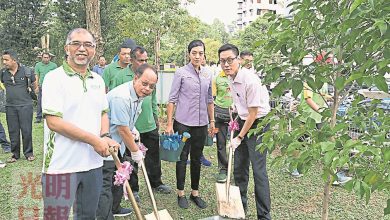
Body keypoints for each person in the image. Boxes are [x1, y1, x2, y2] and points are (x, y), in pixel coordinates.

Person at [41, 28, 119, 219]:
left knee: (87, 215)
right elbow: (54, 122)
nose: (82, 49)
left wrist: (105, 136)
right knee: (56, 216)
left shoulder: (98, 81)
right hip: (60, 166)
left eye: (88, 45)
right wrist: (94, 140)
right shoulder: (54, 78)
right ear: (67, 48)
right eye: (76, 43)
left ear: (94, 50)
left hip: (92, 165)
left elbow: (103, 112)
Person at [97, 63, 158, 219]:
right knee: (107, 184)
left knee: (120, 176)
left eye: (151, 86)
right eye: (144, 84)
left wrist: (133, 129)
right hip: (108, 145)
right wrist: (136, 151)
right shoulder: (121, 97)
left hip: (120, 145)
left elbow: (127, 125)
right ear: (135, 78)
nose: (147, 88)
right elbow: (121, 129)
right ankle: (105, 215)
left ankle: (115, 208)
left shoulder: (140, 95)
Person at [218, 43, 271, 219]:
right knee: (239, 169)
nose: (226, 64)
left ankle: (264, 216)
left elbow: (254, 113)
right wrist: (236, 106)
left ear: (238, 60)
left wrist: (240, 137)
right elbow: (244, 106)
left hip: (259, 123)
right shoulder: (230, 78)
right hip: (243, 119)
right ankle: (239, 210)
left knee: (258, 171)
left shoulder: (250, 80)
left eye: (230, 60)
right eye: (222, 61)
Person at [112, 46, 172, 201]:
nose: (147, 88)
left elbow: (151, 101)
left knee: (153, 155)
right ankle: (133, 189)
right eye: (141, 60)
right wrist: (134, 148)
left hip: (143, 125)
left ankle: (156, 182)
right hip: (118, 133)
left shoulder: (149, 80)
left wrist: (153, 119)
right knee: (130, 160)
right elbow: (119, 116)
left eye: (146, 60)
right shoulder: (121, 83)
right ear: (132, 60)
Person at [165, 40, 214, 209]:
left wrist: (212, 121)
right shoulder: (181, 73)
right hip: (183, 124)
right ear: (189, 54)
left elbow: (209, 100)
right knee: (182, 157)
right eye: (194, 53)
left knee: (197, 158)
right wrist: (169, 124)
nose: (197, 56)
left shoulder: (208, 73)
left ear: (204, 54)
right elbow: (172, 100)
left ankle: (195, 192)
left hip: (201, 124)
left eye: (200, 53)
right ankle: (181, 193)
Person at [1, 50, 36, 162]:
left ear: (14, 60)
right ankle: (15, 154)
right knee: (13, 131)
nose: (4, 62)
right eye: (3, 59)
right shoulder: (3, 73)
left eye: (6, 60)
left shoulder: (27, 72)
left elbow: (35, 86)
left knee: (26, 130)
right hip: (10, 106)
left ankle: (29, 153)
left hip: (25, 105)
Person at [212, 68, 233, 183]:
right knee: (221, 143)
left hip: (236, 113)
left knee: (238, 144)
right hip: (220, 112)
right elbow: (213, 97)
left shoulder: (239, 78)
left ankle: (237, 169)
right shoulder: (217, 78)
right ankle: (223, 169)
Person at [34, 52, 57, 123]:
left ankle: (50, 116)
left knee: (51, 101)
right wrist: (36, 86)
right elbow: (36, 76)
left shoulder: (54, 65)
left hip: (51, 87)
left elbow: (56, 77)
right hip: (41, 86)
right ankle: (38, 117)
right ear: (42, 57)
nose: (46, 59)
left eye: (47, 57)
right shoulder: (38, 65)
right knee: (40, 101)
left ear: (50, 58)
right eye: (44, 57)